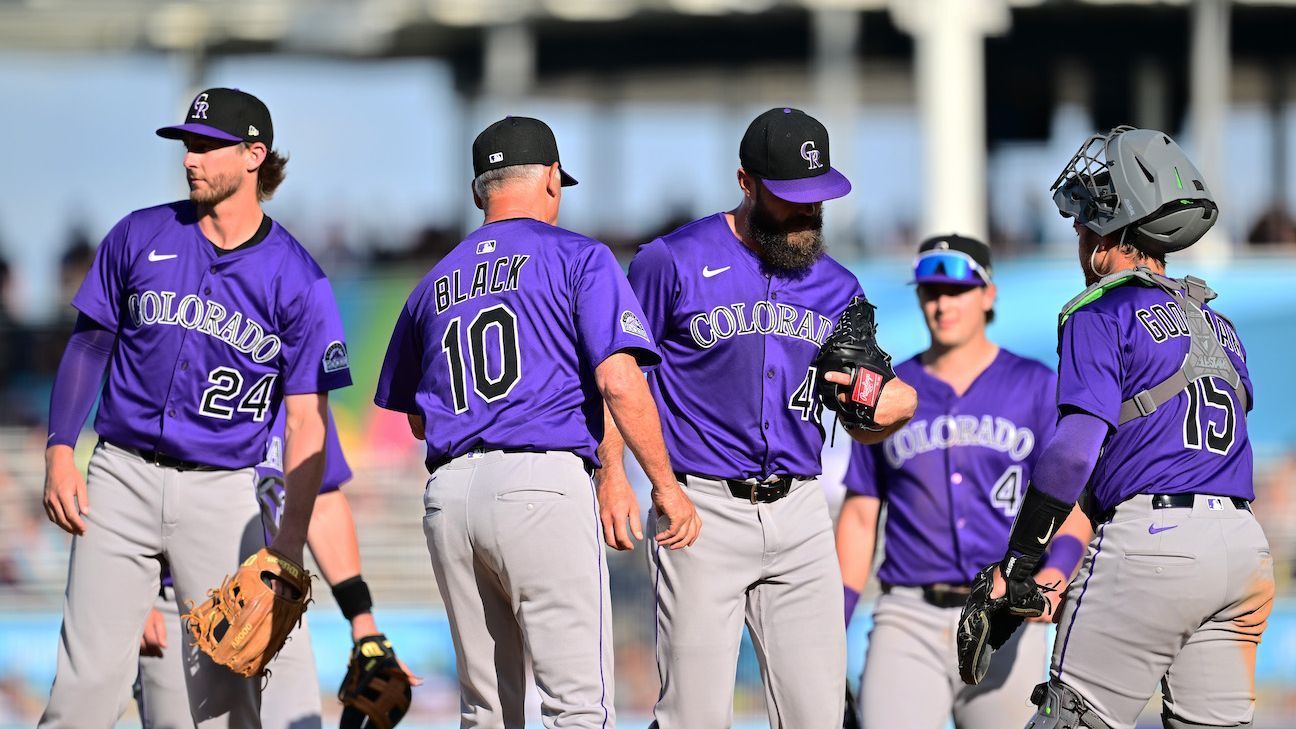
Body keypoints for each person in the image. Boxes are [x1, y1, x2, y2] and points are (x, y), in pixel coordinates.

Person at [373, 116, 700, 728]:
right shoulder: (579, 257)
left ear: (480, 191)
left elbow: (418, 418)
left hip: (450, 496)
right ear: (552, 179)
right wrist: (662, 483)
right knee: (577, 704)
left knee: (487, 710)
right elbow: (618, 380)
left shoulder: (431, 282)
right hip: (540, 485)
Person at [39, 87, 351, 728]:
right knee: (84, 688)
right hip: (120, 475)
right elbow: (90, 343)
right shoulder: (139, 234)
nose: (191, 158)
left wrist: (287, 548)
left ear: (254, 155)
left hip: (223, 491)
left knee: (223, 700)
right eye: (188, 144)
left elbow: (305, 421)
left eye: (209, 146)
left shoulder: (298, 277)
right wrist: (60, 448)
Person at [597, 107, 917, 729]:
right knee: (694, 714)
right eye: (790, 197)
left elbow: (862, 416)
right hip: (700, 509)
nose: (807, 211)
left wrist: (896, 407)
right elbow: (620, 373)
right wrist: (613, 474)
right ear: (746, 183)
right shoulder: (671, 261)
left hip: (800, 510)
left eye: (817, 196)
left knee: (818, 713)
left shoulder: (840, 287)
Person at [972, 126, 1274, 729]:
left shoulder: (1101, 308)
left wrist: (1020, 556)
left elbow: (1076, 450)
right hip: (1243, 550)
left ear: (1111, 228)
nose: (1079, 234)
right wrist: (1055, 569)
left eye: (1085, 222)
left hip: (1154, 547)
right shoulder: (1217, 323)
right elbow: (1140, 462)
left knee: (1069, 721)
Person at [837, 234, 1090, 729]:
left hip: (1005, 614)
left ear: (988, 294)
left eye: (957, 290)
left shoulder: (1036, 386)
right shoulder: (890, 392)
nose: (942, 303)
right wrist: (835, 621)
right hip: (908, 613)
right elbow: (861, 512)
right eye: (931, 291)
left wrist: (1052, 576)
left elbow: (1074, 506)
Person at [134, 407, 420, 729]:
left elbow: (322, 500)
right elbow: (140, 481)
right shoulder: (197, 372)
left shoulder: (302, 396)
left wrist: (362, 620)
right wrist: (135, 596)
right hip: (186, 608)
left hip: (277, 605)